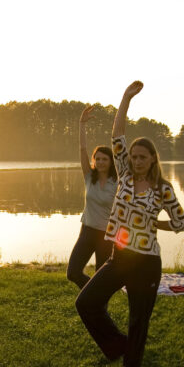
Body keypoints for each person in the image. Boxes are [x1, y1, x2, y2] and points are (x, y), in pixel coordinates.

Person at [75, 81, 184, 367]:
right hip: (120, 256)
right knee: (86, 302)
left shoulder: (163, 189)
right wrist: (125, 99)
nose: (136, 161)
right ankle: (116, 345)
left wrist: (155, 224)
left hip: (148, 262)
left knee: (139, 319)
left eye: (142, 157)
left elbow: (181, 223)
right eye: (133, 156)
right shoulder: (123, 174)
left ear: (152, 160)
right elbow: (117, 135)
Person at [66, 105, 117, 289]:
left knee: (100, 277)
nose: (101, 162)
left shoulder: (117, 183)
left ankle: (96, 308)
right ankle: (92, 298)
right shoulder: (89, 177)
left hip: (107, 235)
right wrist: (81, 124)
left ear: (111, 162)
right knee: (73, 273)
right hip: (87, 231)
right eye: (98, 159)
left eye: (105, 159)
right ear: (94, 161)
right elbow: (82, 149)